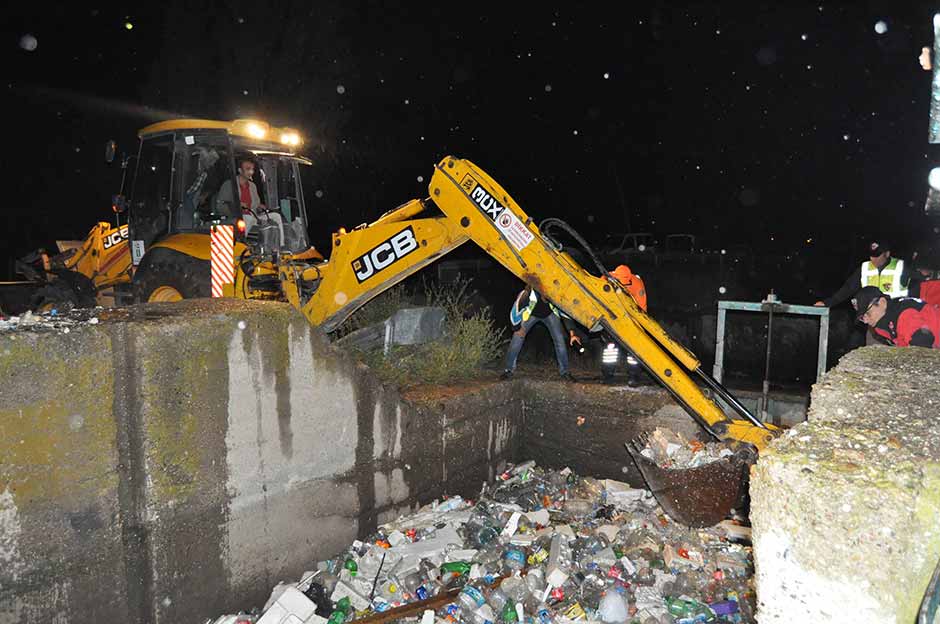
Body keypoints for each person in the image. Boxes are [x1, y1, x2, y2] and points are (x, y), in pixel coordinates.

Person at [500, 287, 575, 381]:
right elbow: (516, 308)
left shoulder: (555, 294)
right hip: (531, 314)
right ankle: (508, 370)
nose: (547, 300)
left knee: (559, 340)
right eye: (545, 298)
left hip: (549, 314)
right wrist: (517, 327)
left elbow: (565, 313)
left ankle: (565, 372)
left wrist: (572, 333)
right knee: (517, 338)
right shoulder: (528, 294)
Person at [815, 240, 910, 309]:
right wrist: (828, 302)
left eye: (877, 256)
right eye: (871, 255)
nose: (873, 259)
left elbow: (916, 288)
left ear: (887, 254)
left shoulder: (901, 266)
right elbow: (848, 288)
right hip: (872, 320)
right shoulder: (865, 268)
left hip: (897, 317)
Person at [853, 286, 940, 348]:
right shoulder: (883, 323)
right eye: (862, 318)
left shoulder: (904, 315)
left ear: (882, 302)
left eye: (868, 313)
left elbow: (923, 347)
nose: (866, 321)